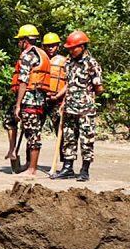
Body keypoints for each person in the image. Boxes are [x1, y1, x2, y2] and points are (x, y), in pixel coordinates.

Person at [51, 31, 104, 182]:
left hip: (85, 109)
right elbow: (69, 85)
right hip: (69, 108)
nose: (70, 51)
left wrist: (86, 96)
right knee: (68, 138)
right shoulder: (69, 64)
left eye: (73, 48)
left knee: (86, 139)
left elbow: (99, 88)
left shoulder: (92, 64)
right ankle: (68, 168)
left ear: (81, 46)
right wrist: (63, 101)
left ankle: (85, 170)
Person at [6, 24, 52, 177]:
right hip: (39, 99)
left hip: (30, 100)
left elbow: (23, 81)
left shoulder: (27, 56)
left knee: (32, 133)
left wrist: (18, 105)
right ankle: (14, 152)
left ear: (25, 41)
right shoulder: (42, 53)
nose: (19, 43)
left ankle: (32, 169)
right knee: (9, 120)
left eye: (19, 41)